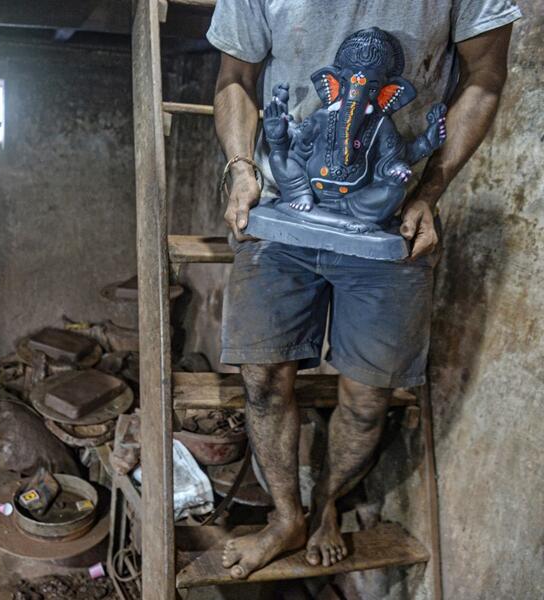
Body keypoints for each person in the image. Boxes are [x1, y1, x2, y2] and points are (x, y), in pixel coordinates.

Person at [208, 0, 521, 578]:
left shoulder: (380, 119)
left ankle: (327, 505)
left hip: (386, 221)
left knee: (367, 398)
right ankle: (285, 516)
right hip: (285, 210)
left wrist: (429, 187)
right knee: (262, 378)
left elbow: (485, 75)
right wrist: (245, 166)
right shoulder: (323, 106)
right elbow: (237, 76)